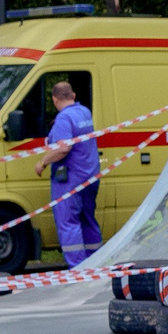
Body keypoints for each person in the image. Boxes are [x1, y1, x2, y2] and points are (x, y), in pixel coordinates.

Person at [38, 80, 101, 265]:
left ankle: (78, 268)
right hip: (90, 176)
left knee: (69, 223)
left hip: (70, 179)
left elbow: (63, 149)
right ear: (73, 96)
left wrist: (43, 162)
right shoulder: (84, 112)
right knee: (88, 220)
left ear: (54, 99)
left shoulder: (64, 118)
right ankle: (95, 263)